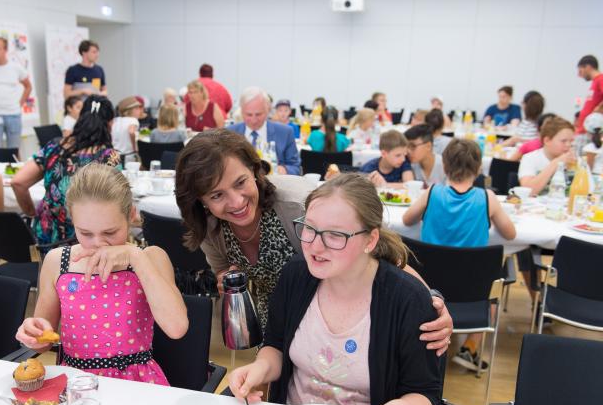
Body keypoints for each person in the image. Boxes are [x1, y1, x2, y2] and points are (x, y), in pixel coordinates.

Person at [175, 129, 454, 355]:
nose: (236, 203)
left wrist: (431, 301)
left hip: (335, 329)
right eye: (216, 195)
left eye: (240, 183)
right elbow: (225, 268)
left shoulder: (298, 207)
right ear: (200, 201)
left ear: (255, 169)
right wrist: (226, 278)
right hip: (275, 332)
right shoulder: (210, 225)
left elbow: (383, 255)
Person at [228, 173, 443, 405]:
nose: (315, 247)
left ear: (370, 240)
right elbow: (276, 346)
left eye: (335, 235)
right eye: (310, 229)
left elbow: (426, 394)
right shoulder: (296, 275)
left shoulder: (405, 299)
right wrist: (261, 369)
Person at [15, 164, 187, 383]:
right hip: (75, 383)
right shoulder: (58, 262)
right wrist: (33, 333)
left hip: (136, 384)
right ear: (73, 222)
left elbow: (176, 327)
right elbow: (44, 338)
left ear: (131, 215)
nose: (98, 243)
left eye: (110, 232)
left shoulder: (150, 258)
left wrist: (135, 257)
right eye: (85, 233)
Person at [403, 139, 516, 371]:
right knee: (495, 282)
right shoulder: (487, 198)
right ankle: (472, 346)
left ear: (444, 167)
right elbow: (510, 234)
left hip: (429, 285)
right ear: (478, 169)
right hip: (472, 290)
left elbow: (406, 220)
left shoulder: (432, 193)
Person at [11, 96, 121, 245]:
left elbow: (18, 182)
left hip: (47, 237)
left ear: (80, 118)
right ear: (110, 123)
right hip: (84, 242)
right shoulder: (109, 157)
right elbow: (117, 202)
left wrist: (31, 213)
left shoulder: (55, 146)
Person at [227, 86, 301, 175]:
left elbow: (296, 167)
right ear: (241, 111)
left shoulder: (285, 132)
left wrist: (284, 170)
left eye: (258, 114)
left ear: (268, 110)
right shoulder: (230, 133)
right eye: (249, 115)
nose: (254, 120)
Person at [518, 116, 576, 196]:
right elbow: (528, 192)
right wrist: (556, 163)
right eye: (564, 141)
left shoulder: (575, 160)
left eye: (571, 141)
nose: (568, 145)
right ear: (547, 141)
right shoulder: (530, 158)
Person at [575, 55, 603, 137]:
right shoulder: (595, 82)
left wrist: (599, 108)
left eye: (580, 71)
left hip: (591, 131)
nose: (579, 75)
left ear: (588, 67)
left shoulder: (600, 79)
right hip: (584, 130)